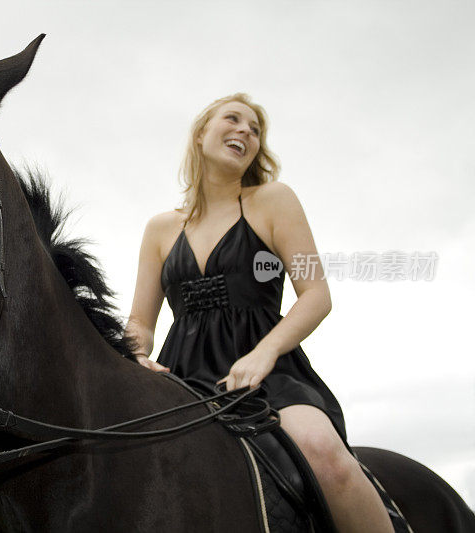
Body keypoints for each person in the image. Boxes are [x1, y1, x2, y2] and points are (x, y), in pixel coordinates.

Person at [125, 93, 394, 532]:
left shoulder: (274, 199)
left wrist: (263, 354)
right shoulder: (159, 228)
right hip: (182, 379)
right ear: (200, 133)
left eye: (255, 129)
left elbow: (316, 294)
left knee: (322, 451)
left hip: (269, 372)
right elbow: (140, 323)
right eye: (233, 119)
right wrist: (133, 356)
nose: (245, 131)